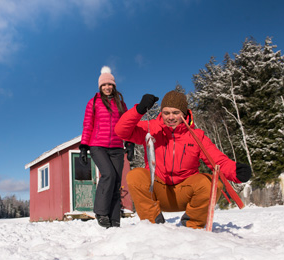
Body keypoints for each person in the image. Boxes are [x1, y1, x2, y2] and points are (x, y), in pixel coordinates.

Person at [114, 91, 252, 229]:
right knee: (135, 176)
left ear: (184, 113)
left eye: (175, 112)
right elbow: (121, 131)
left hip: (185, 192)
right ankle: (153, 224)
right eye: (166, 113)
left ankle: (192, 224)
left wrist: (235, 171)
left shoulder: (196, 136)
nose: (171, 117)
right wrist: (138, 110)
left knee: (211, 184)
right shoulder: (151, 129)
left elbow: (217, 161)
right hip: (158, 190)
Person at [79, 66, 135, 228]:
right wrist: (84, 146)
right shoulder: (94, 102)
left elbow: (127, 125)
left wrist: (130, 143)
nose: (107, 88)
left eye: (109, 85)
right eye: (103, 85)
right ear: (100, 87)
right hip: (97, 145)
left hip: (117, 146)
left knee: (117, 181)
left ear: (114, 85)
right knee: (108, 174)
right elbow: (88, 124)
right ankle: (101, 212)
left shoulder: (121, 103)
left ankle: (114, 218)